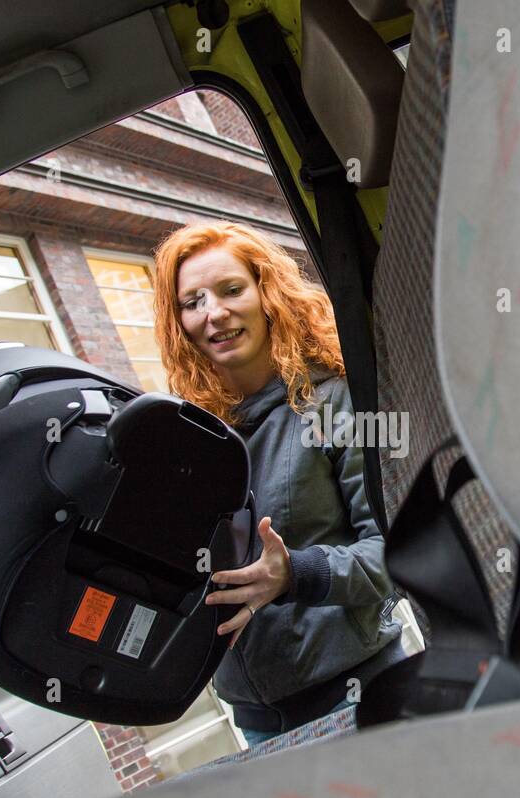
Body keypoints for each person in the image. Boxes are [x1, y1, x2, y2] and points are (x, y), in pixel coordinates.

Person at [152, 221, 405, 747]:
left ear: (267, 293)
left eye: (231, 289)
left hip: (359, 689)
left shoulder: (335, 402)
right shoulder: (192, 438)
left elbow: (398, 558)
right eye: (192, 301)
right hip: (257, 718)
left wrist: (294, 573)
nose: (214, 313)